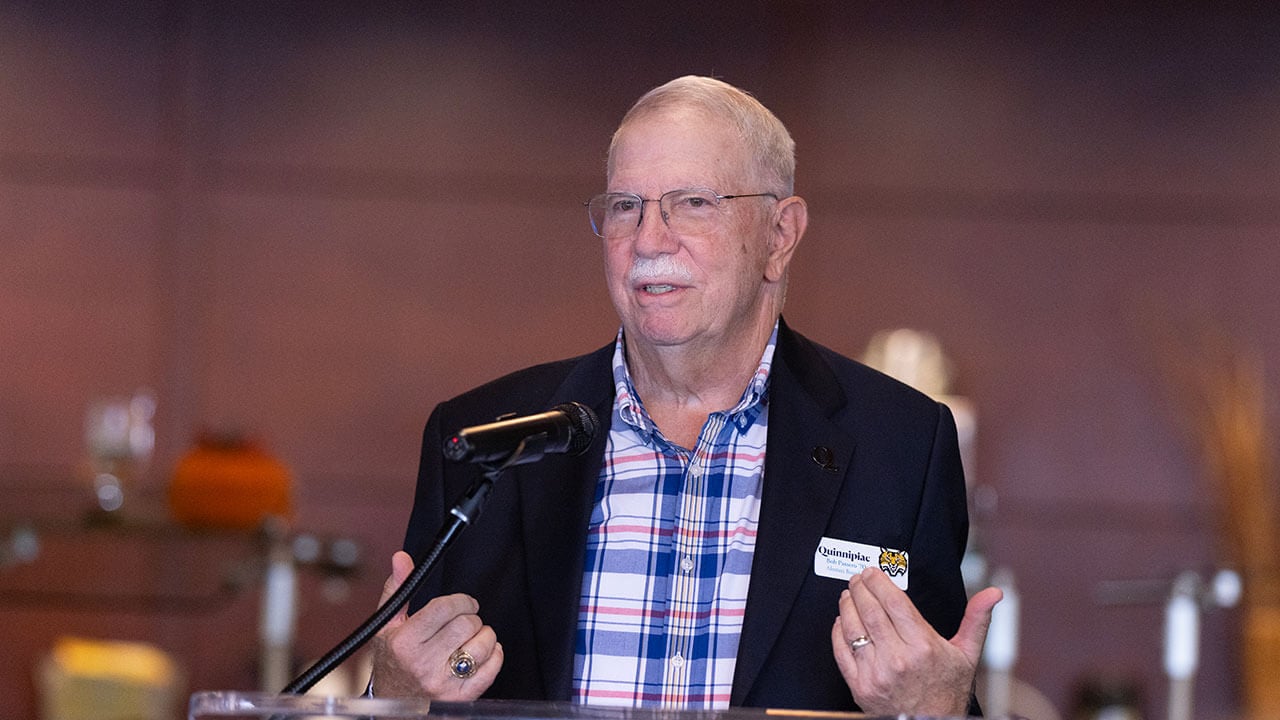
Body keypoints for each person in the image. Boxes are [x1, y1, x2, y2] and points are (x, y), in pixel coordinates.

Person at [370, 75, 1002, 716]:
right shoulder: (489, 438)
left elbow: (933, 690)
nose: (648, 240)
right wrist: (389, 699)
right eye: (625, 206)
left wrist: (938, 711)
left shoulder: (900, 445)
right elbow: (413, 685)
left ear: (780, 236)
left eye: (693, 203)